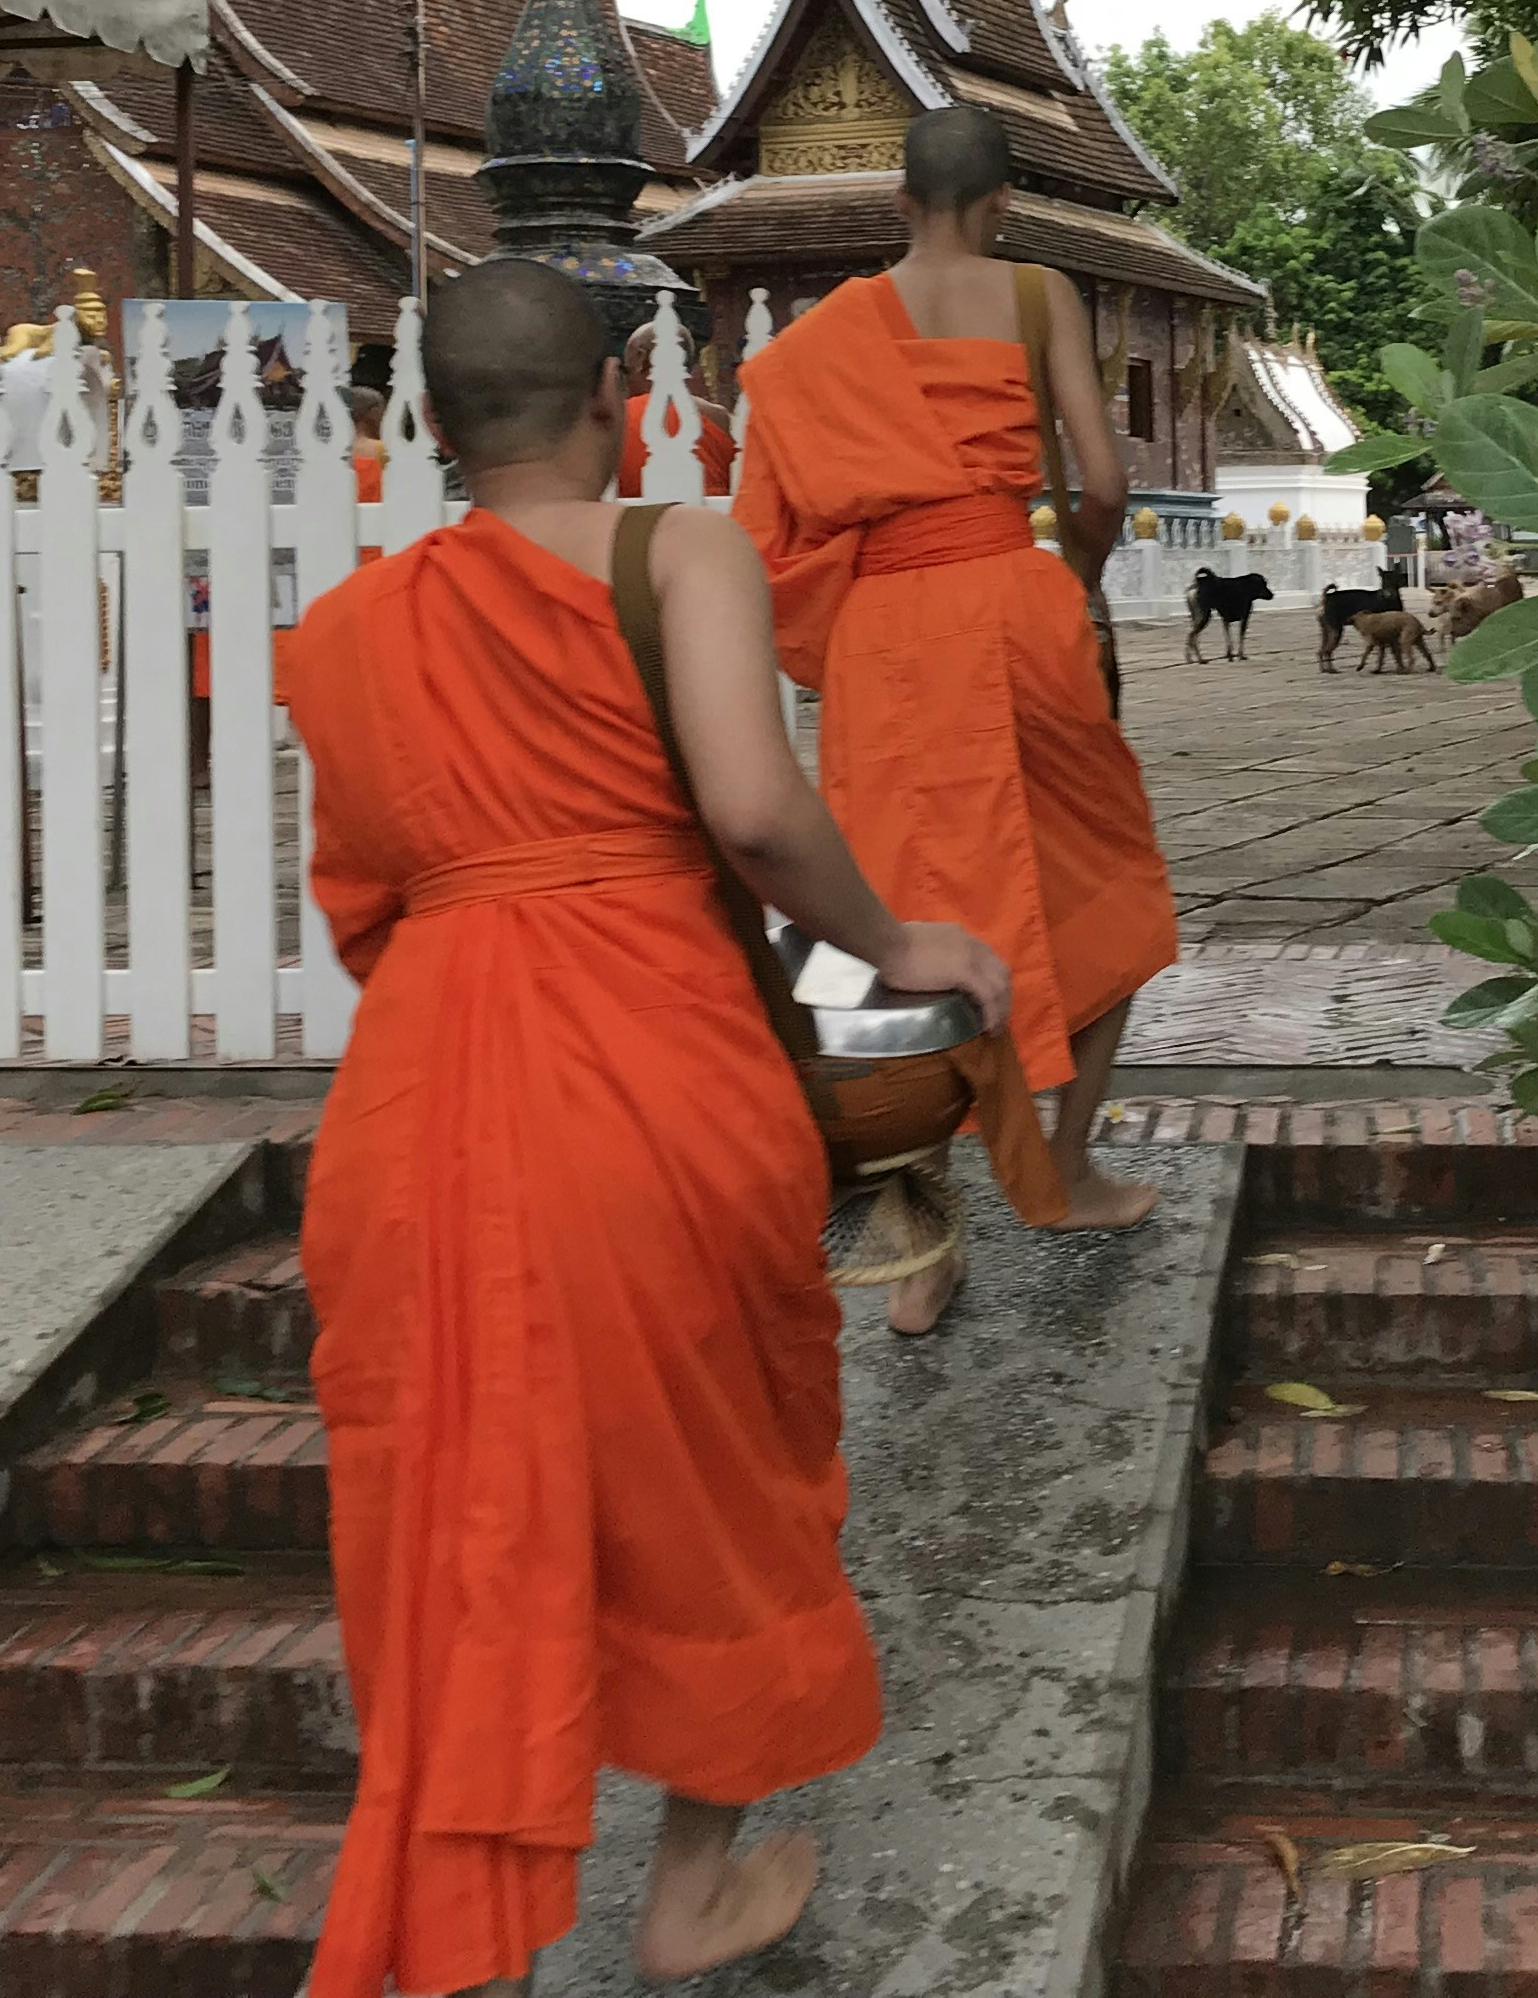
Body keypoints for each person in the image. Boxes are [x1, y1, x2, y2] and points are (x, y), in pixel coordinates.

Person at [278, 257, 1012, 1998]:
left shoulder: (355, 626)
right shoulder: (674, 547)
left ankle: (470, 1921)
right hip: (651, 1068)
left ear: (424, 428)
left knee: (449, 1493)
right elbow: (754, 810)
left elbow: (374, 887)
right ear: (618, 394)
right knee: (724, 1469)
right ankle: (684, 1884)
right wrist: (901, 939)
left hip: (424, 1092)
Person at [733, 101, 1179, 1332]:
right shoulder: (1038, 297)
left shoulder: (825, 339)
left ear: (897, 205)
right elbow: (1098, 483)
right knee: (1109, 886)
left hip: (883, 642)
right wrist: (1072, 578)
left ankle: (919, 1245)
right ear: (1001, 204)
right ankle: (1070, 1168)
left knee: (890, 914)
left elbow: (770, 532)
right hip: (1012, 608)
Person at [614, 315, 737, 500]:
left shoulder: (618, 417)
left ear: (640, 358)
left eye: (625, 369)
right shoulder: (721, 418)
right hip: (713, 518)